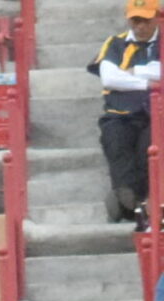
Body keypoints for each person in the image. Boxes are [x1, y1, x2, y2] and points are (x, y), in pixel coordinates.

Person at [92, 0, 161, 225]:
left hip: (156, 116)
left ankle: (145, 202)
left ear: (158, 17)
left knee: (148, 152)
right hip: (119, 113)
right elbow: (110, 77)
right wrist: (149, 83)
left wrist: (135, 71)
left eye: (145, 20)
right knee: (116, 143)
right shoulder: (115, 43)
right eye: (135, 20)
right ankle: (128, 201)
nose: (140, 26)